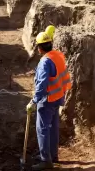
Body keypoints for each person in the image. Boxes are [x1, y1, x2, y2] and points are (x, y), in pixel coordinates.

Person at [26, 32, 71, 170]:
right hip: (58, 97)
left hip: (48, 99)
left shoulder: (45, 61)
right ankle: (53, 155)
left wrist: (33, 101)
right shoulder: (58, 55)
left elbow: (42, 85)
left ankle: (46, 160)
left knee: (42, 129)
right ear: (51, 44)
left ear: (39, 48)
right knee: (53, 127)